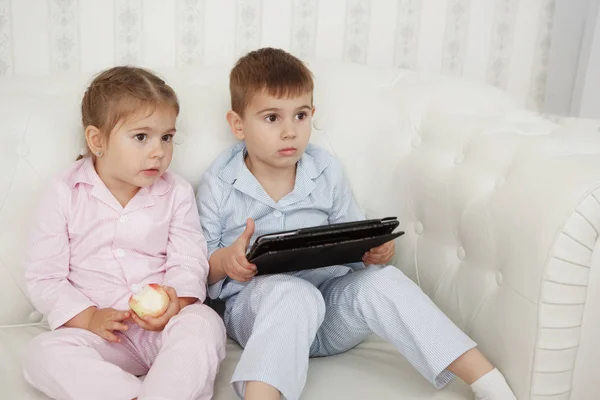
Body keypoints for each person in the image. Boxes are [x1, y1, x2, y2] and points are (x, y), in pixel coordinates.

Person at [196, 48, 517, 400]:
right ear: (238, 124)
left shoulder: (326, 170)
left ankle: (489, 383)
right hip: (260, 318)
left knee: (384, 281)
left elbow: (351, 237)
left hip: (329, 313)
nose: (289, 131)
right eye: (272, 118)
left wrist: (372, 252)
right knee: (292, 293)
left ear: (312, 115)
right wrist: (228, 261)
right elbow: (200, 267)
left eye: (300, 115)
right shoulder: (219, 183)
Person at [23, 66, 226, 400]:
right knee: (41, 354)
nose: (158, 151)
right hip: (103, 335)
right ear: (97, 140)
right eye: (141, 137)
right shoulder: (63, 193)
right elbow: (45, 277)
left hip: (161, 332)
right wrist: (89, 318)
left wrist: (177, 302)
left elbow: (188, 259)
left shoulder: (176, 192)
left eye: (167, 137)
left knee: (204, 323)